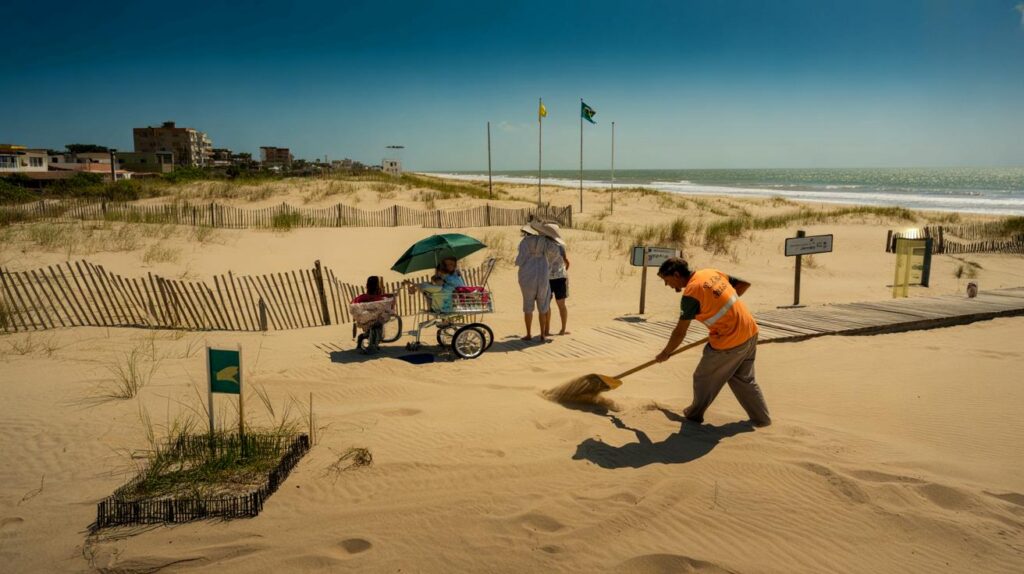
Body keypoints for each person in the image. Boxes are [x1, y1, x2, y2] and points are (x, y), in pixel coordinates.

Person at [654, 257, 771, 427]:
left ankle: (693, 416)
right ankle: (762, 419)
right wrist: (724, 309)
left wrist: (666, 353)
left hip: (729, 341)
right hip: (750, 331)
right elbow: (743, 284)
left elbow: (680, 332)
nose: (667, 285)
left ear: (677, 274)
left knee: (703, 378)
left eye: (666, 280)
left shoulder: (691, 293)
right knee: (742, 379)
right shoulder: (711, 273)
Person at [515, 220, 563, 342]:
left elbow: (520, 259)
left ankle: (528, 334)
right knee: (543, 305)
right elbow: (556, 252)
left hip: (527, 275)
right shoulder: (545, 241)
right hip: (542, 273)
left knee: (528, 305)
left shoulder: (524, 242)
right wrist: (549, 264)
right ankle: (542, 334)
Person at [547, 225, 570, 335]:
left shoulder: (544, 244)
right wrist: (565, 269)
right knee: (561, 305)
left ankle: (546, 330)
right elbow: (566, 261)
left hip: (547, 277)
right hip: (560, 276)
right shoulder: (560, 244)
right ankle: (563, 329)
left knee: (546, 304)